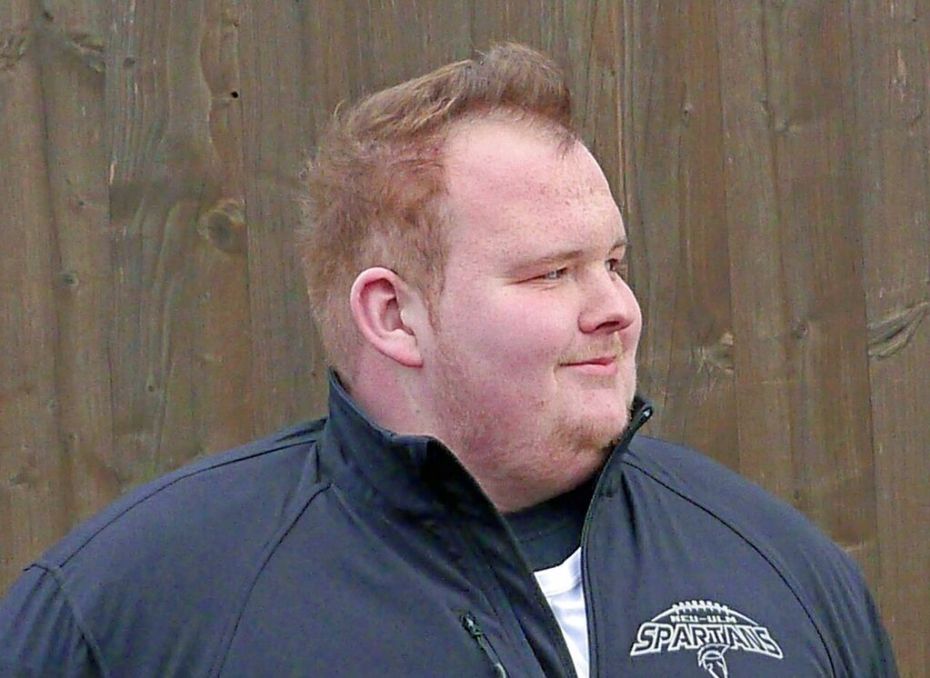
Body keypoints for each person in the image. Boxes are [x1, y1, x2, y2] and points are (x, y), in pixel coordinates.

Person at [0, 44, 897, 677]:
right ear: (394, 315)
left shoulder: (780, 568)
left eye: (614, 265)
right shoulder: (135, 608)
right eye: (552, 274)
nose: (618, 310)